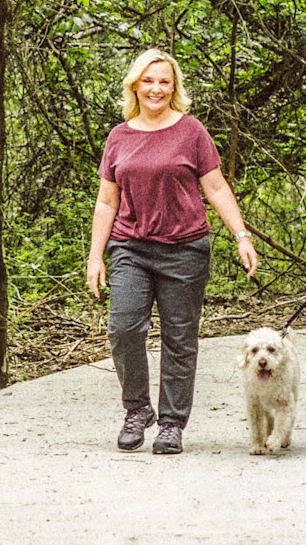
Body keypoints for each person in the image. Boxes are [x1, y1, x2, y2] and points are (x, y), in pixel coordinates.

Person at [88, 46, 259, 454]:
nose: (156, 89)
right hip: (130, 246)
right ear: (135, 85)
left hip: (185, 249)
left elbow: (215, 187)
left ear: (174, 87)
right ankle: (137, 409)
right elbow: (107, 201)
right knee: (124, 328)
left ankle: (171, 423)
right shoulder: (120, 136)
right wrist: (96, 255)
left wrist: (242, 235)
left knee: (179, 338)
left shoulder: (191, 131)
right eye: (148, 81)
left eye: (164, 81)